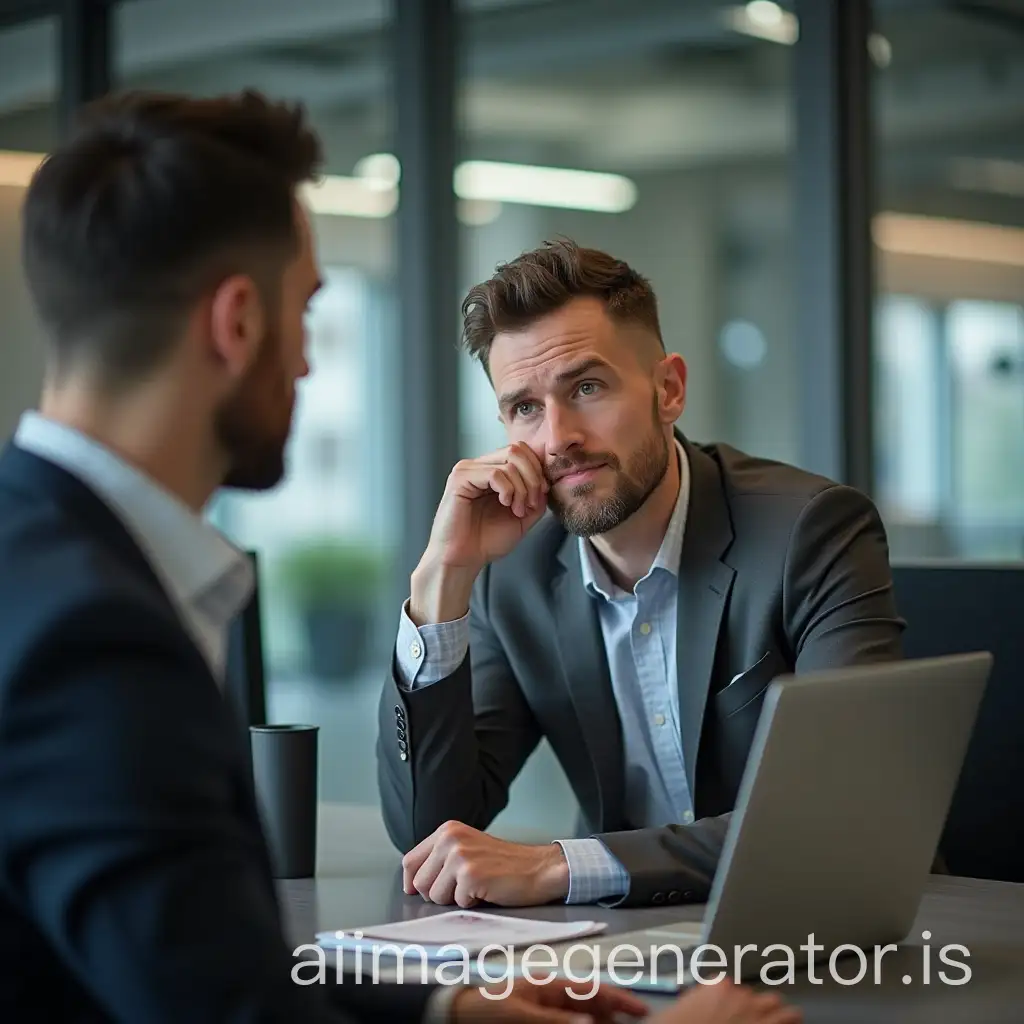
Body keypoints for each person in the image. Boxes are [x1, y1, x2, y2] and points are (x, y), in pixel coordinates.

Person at [0, 89, 801, 1024]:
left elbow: (205, 958)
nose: (307, 363)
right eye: (308, 309)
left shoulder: (48, 573)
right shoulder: (90, 632)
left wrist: (446, 1011)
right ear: (238, 324)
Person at [378, 239, 905, 911]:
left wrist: (560, 868)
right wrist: (440, 583)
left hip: (829, 931)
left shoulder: (812, 532)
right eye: (525, 408)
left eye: (587, 387)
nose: (556, 437)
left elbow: (841, 817)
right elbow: (429, 835)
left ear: (669, 389)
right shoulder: (514, 576)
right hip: (620, 951)